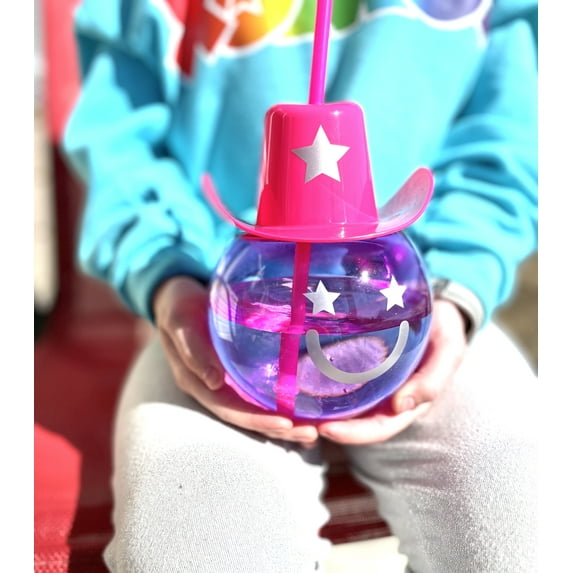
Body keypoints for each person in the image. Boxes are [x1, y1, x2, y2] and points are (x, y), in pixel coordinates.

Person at [63, 0, 539, 571]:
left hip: (422, 302)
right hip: (217, 308)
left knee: (521, 527)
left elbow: (509, 133)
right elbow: (122, 147)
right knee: (190, 542)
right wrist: (170, 278)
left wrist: (458, 291)